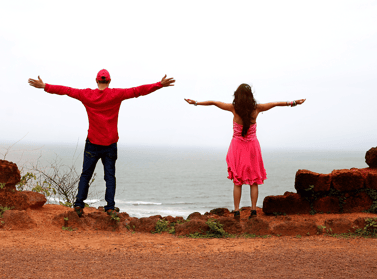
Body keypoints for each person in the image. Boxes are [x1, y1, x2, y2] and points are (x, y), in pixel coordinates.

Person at [28, 70, 175, 217]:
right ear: (109, 81)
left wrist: (45, 86)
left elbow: (66, 90)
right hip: (110, 143)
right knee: (110, 176)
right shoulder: (116, 94)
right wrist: (159, 85)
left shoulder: (86, 95)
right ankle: (110, 207)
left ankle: (79, 205)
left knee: (86, 174)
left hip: (92, 142)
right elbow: (138, 91)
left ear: (96, 80)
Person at [185, 84, 305, 219]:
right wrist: (294, 102)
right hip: (253, 147)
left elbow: (214, 103)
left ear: (238, 95)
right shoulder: (257, 108)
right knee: (254, 181)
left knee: (238, 181)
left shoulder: (233, 108)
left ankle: (236, 211)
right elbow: (275, 104)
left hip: (237, 147)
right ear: (250, 96)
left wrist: (195, 102)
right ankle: (253, 211)